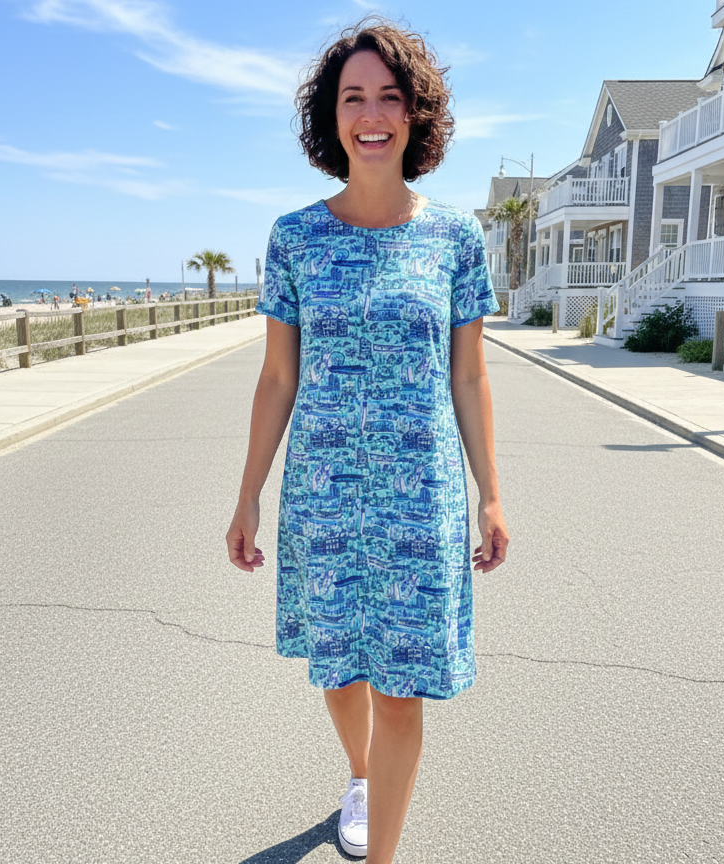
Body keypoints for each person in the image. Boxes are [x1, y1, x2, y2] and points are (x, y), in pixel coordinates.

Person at [226, 19, 509, 864]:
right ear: (332, 117)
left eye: (391, 96)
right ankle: (359, 775)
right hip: (324, 500)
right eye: (355, 98)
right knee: (340, 676)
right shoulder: (295, 238)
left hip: (421, 502)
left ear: (417, 116)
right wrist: (247, 494)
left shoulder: (455, 238)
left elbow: (470, 377)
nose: (373, 113)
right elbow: (278, 377)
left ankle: (381, 854)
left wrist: (492, 491)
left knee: (403, 692)